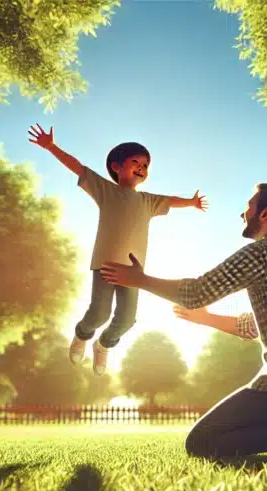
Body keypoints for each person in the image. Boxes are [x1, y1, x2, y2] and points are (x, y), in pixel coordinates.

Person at [100, 183, 267, 459]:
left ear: (265, 214)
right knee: (218, 435)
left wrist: (140, 280)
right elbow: (257, 326)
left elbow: (196, 292)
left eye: (249, 206)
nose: (243, 214)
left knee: (201, 442)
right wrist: (206, 319)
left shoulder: (262, 252)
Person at [28, 124, 208, 375]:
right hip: (107, 264)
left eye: (145, 166)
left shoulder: (148, 201)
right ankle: (82, 335)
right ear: (116, 167)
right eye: (136, 162)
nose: (142, 169)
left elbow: (170, 200)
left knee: (126, 319)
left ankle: (103, 346)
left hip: (134, 271)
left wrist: (191, 202)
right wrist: (51, 147)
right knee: (99, 314)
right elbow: (78, 167)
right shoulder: (106, 190)